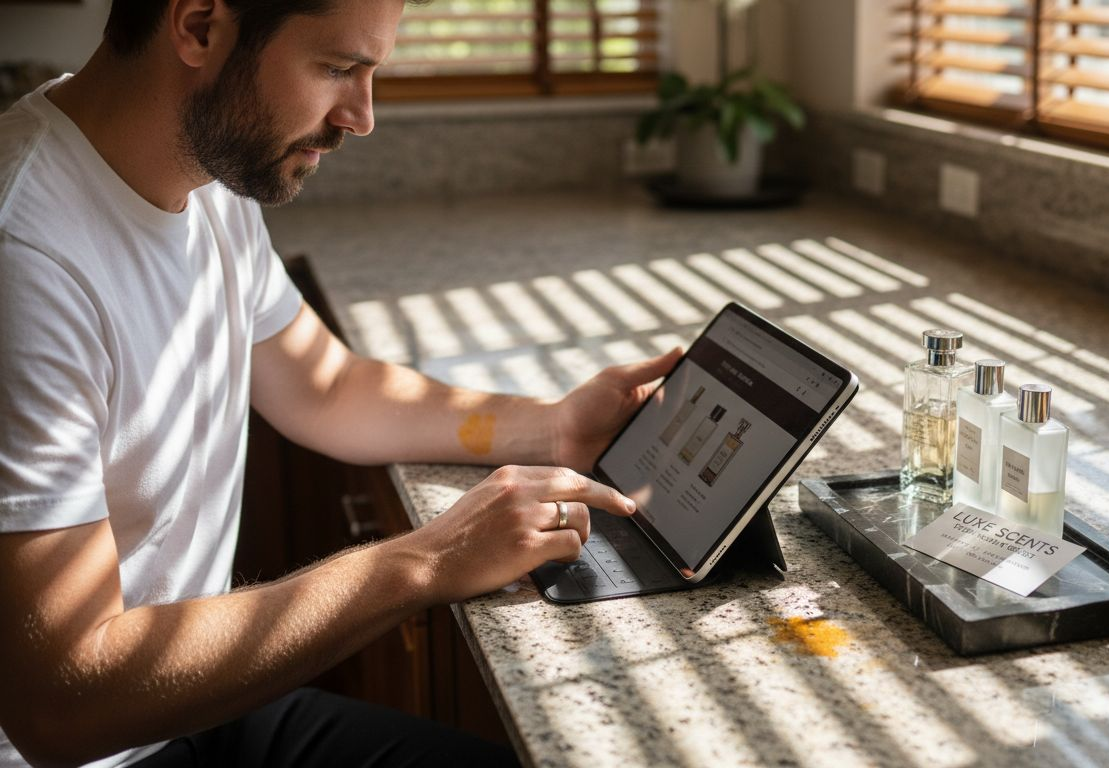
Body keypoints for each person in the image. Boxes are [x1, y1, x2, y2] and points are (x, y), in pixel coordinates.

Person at [0, 1, 680, 766]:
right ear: (197, 26)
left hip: (186, 714)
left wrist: (550, 427)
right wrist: (424, 562)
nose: (362, 118)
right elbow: (60, 703)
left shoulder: (205, 176)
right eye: (337, 68)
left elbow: (325, 387)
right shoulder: (26, 255)